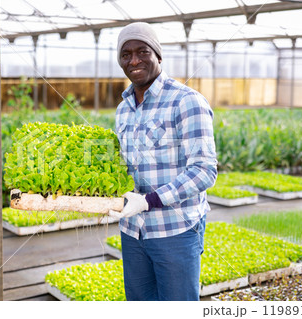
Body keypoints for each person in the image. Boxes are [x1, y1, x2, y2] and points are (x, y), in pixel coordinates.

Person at [108, 22, 218, 301]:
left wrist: (148, 201)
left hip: (175, 231)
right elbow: (126, 166)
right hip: (133, 231)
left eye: (142, 51)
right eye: (126, 54)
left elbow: (204, 171)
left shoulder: (186, 101)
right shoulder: (123, 109)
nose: (133, 60)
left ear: (158, 55)